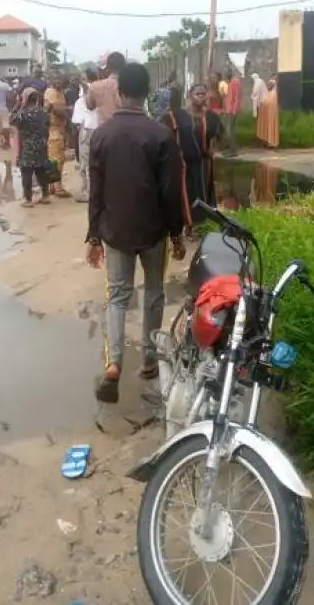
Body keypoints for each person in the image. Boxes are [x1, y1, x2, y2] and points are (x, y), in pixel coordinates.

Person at [87, 62, 185, 404]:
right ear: (147, 93)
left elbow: (95, 191)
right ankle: (148, 359)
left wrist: (93, 235)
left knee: (117, 296)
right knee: (154, 292)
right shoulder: (160, 135)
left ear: (119, 91)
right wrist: (176, 233)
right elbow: (170, 191)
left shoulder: (101, 136)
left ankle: (114, 363)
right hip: (153, 230)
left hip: (114, 230)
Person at [161, 83, 222, 238]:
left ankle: (201, 227)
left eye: (203, 93)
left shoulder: (211, 116)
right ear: (190, 95)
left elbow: (217, 136)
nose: (201, 96)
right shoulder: (179, 116)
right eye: (197, 94)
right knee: (186, 193)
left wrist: (212, 150)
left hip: (203, 163)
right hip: (184, 164)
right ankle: (186, 226)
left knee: (203, 194)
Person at [10, 87, 51, 208]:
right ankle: (45, 196)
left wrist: (16, 106)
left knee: (27, 173)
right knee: (41, 172)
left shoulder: (22, 113)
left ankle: (28, 200)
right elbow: (47, 126)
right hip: (41, 145)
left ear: (25, 98)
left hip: (27, 146)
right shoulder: (43, 112)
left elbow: (11, 120)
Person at [72, 69, 98, 202]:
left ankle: (87, 191)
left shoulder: (82, 100)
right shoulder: (101, 93)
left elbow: (77, 122)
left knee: (85, 164)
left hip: (86, 131)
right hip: (98, 130)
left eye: (83, 79)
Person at [44, 71, 71, 197]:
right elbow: (56, 110)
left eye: (60, 78)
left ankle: (52, 187)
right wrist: (68, 110)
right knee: (55, 159)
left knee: (57, 158)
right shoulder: (51, 92)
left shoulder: (60, 92)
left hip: (60, 129)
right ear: (51, 80)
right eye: (56, 78)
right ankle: (57, 186)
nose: (59, 80)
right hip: (53, 129)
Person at [85, 51, 126, 125]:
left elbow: (90, 106)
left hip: (103, 131)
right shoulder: (130, 86)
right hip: (124, 131)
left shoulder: (95, 86)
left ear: (108, 68)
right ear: (124, 67)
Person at [219, 67, 242, 156]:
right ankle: (230, 149)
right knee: (228, 130)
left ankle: (233, 151)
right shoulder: (230, 82)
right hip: (229, 109)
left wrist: (234, 110)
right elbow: (230, 96)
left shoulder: (235, 82)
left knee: (230, 131)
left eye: (227, 73)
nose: (225, 75)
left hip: (232, 110)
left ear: (230, 73)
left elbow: (237, 97)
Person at [256, 74, 280, 150]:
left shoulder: (273, 93)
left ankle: (272, 143)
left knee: (271, 127)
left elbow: (268, 102)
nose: (268, 86)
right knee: (267, 127)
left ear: (273, 85)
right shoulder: (269, 93)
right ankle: (267, 141)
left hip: (271, 115)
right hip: (267, 114)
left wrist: (262, 101)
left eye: (269, 85)